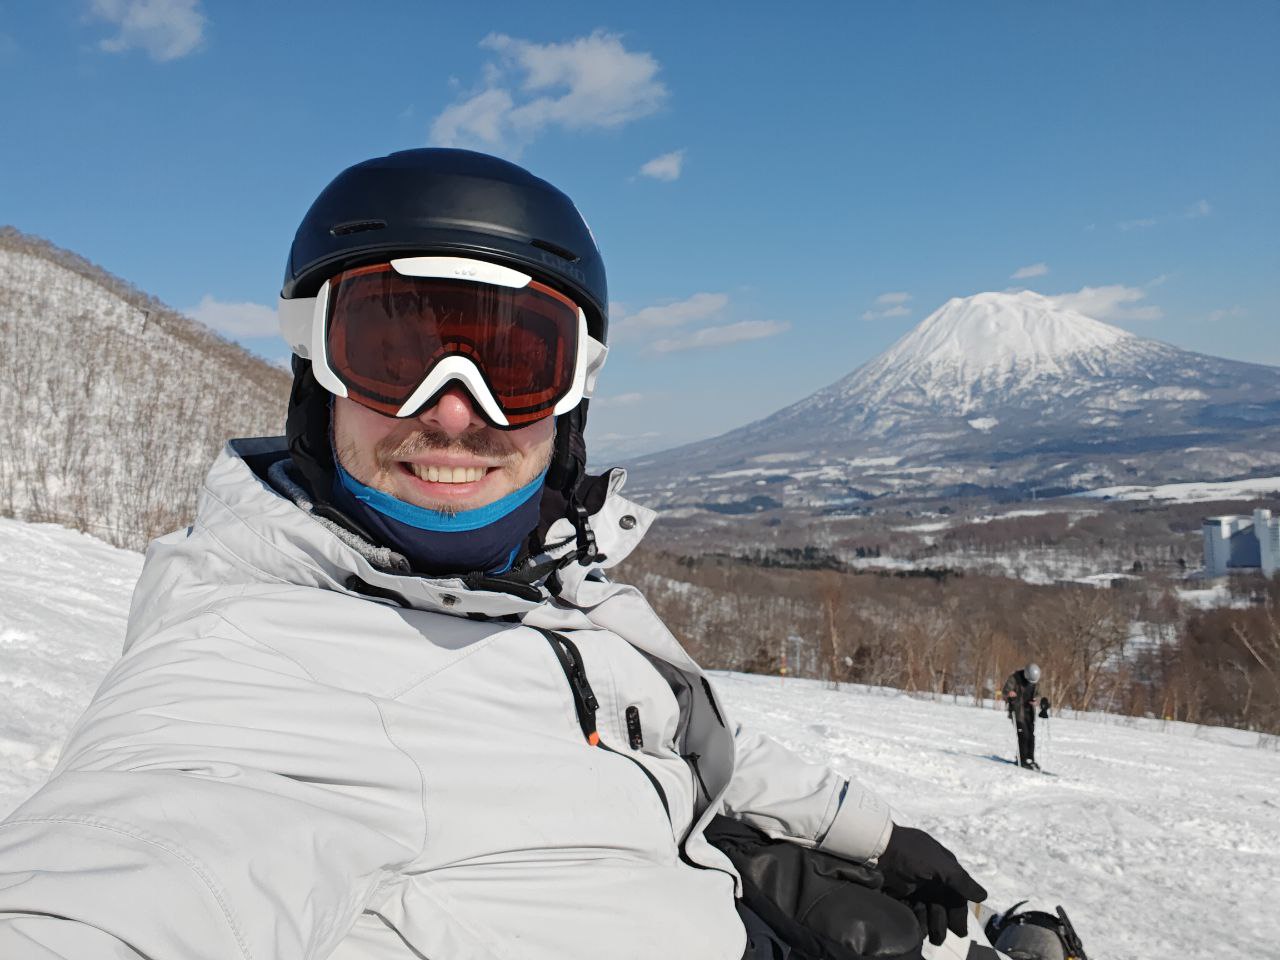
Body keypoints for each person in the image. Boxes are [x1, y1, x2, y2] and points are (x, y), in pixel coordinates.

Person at [0, 149, 988, 959]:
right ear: (316, 374)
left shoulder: (555, 586)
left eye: (514, 362)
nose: (453, 410)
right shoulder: (245, 672)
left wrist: (864, 836)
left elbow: (673, 736)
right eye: (392, 354)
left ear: (572, 399)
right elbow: (142, 860)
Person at [1002, 663, 1050, 770]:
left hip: (1029, 711)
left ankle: (1030, 759)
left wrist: (1037, 700)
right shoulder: (1015, 678)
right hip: (1017, 710)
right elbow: (1005, 691)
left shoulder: (1035, 681)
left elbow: (1039, 694)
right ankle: (1022, 759)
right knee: (1023, 735)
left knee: (1031, 736)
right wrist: (1010, 693)